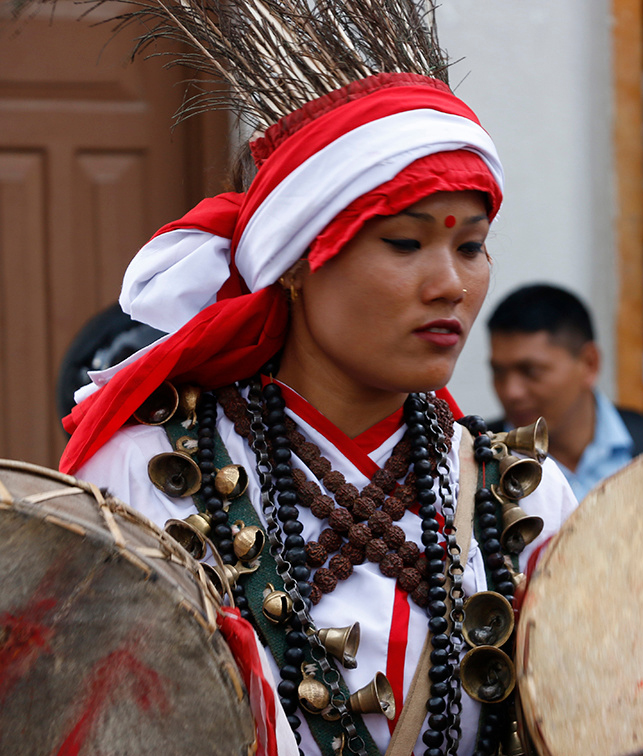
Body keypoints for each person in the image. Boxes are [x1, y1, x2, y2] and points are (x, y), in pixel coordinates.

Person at [58, 5, 577, 756]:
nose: (451, 285)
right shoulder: (145, 480)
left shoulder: (521, 498)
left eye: (472, 247)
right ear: (299, 262)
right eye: (405, 242)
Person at [487, 283, 643, 501]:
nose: (512, 392)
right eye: (498, 372)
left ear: (589, 363)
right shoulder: (474, 468)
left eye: (531, 371)